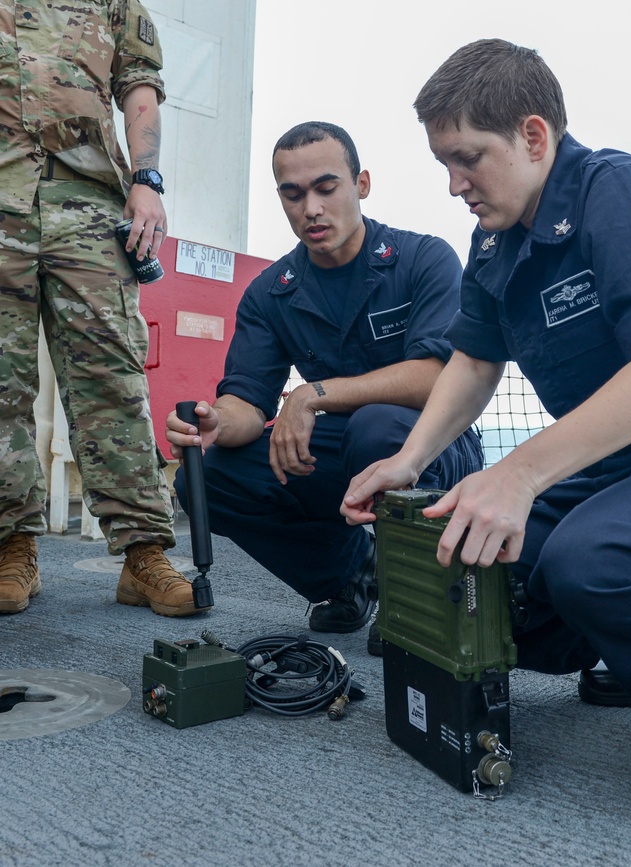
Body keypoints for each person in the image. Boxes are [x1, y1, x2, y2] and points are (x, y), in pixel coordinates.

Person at [342, 39, 631, 722]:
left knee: (593, 563)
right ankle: (630, 638)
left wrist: (519, 476)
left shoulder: (617, 193)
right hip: (616, 471)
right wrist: (409, 461)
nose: (454, 184)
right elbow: (473, 360)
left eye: (468, 159)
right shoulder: (494, 239)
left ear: (533, 136)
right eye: (444, 164)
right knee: (472, 571)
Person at [165, 122, 483, 644]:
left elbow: (438, 378)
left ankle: (418, 596)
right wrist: (216, 422)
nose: (310, 208)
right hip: (343, 448)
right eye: (293, 194)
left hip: (435, 446)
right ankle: (347, 578)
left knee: (378, 428)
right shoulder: (270, 293)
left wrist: (312, 394)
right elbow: (246, 398)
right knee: (210, 475)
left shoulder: (424, 259)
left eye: (325, 188)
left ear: (361, 184)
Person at [0, 1, 203, 617]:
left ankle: (143, 554)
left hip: (85, 199)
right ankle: (12, 546)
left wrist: (149, 180)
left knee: (111, 379)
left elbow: (138, 87)